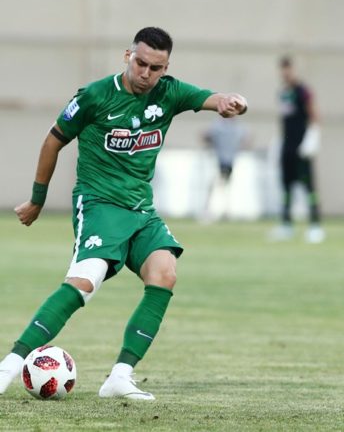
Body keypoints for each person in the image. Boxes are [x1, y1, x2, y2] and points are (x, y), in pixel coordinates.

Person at [0, 27, 248, 401]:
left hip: (141, 209)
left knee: (165, 273)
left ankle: (119, 377)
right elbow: (53, 141)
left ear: (166, 68)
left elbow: (211, 99)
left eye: (155, 68)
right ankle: (9, 365)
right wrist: (37, 199)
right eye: (140, 63)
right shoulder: (95, 95)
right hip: (99, 204)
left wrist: (230, 101)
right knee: (86, 281)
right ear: (127, 56)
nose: (146, 73)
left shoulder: (169, 92)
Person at [270, 56, 324, 243]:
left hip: (302, 148)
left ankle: (315, 226)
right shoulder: (283, 93)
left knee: (309, 187)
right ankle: (286, 225)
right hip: (287, 147)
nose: (285, 73)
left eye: (288, 69)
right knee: (286, 187)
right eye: (282, 69)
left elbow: (314, 115)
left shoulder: (303, 91)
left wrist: (312, 138)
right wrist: (278, 142)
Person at [200, 116, 249, 221]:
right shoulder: (220, 126)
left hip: (229, 161)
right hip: (218, 160)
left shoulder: (234, 127)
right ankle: (211, 211)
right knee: (217, 186)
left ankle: (224, 211)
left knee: (224, 187)